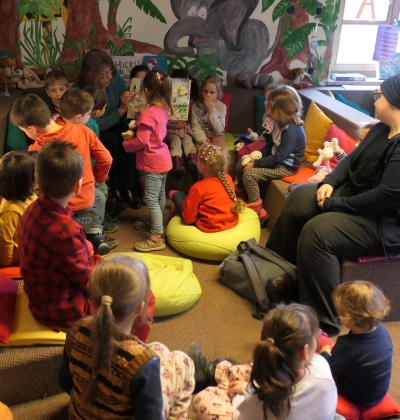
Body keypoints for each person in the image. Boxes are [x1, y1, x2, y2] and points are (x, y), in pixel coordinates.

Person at [266, 73, 400, 335]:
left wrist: (337, 205)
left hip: (381, 222)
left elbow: (384, 196)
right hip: (352, 196)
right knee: (299, 196)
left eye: (380, 95)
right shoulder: (381, 129)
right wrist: (329, 180)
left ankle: (323, 319)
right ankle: (277, 270)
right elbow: (350, 160)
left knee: (318, 232)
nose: (376, 98)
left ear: (395, 101)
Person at [58, 255, 195, 420]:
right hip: (139, 376)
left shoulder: (77, 330)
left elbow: (65, 382)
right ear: (140, 308)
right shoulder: (141, 362)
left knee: (159, 349)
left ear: (94, 299)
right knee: (182, 361)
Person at [191, 303, 337, 420]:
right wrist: (246, 387)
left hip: (251, 408)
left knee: (202, 399)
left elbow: (243, 414)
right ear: (305, 351)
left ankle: (213, 373)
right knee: (255, 368)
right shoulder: (321, 367)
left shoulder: (263, 400)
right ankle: (212, 371)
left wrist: (245, 391)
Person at [10, 93, 114, 255]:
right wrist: (96, 179)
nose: (25, 134)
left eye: (23, 130)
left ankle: (75, 245)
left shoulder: (35, 150)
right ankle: (95, 235)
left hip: (60, 209)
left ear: (32, 129)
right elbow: (106, 159)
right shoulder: (82, 130)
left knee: (62, 238)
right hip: (86, 199)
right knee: (90, 223)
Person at [18, 141, 102, 331]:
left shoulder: (32, 208)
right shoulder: (66, 233)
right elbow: (87, 281)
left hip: (39, 297)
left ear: (37, 178)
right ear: (77, 185)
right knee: (136, 295)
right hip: (63, 311)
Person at [74, 49, 141, 210]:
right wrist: (120, 111)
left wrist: (127, 104)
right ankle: (114, 188)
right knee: (111, 141)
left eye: (110, 71)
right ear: (92, 75)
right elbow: (95, 125)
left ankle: (128, 187)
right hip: (95, 131)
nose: (110, 76)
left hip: (117, 124)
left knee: (128, 136)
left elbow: (125, 114)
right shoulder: (81, 91)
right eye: (104, 74)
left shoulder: (115, 81)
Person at [236, 85, 306, 223]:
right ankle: (242, 194)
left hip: (285, 167)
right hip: (275, 159)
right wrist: (256, 155)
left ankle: (259, 212)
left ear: (281, 110)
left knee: (250, 174)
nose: (267, 109)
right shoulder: (278, 123)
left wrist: (255, 163)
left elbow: (278, 158)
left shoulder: (291, 131)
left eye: (271, 108)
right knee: (240, 165)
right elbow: (270, 145)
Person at [319, 281, 392, 406]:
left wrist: (324, 353)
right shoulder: (382, 329)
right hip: (379, 391)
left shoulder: (348, 345)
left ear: (347, 320)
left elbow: (328, 370)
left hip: (358, 397)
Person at [123, 70, 173, 252]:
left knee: (151, 199)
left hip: (152, 162)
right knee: (160, 196)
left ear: (146, 91)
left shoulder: (147, 113)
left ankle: (156, 237)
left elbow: (142, 140)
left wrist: (126, 145)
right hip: (163, 159)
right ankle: (154, 223)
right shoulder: (162, 109)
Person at [59, 88, 119, 235]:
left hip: (58, 193)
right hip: (83, 188)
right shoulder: (87, 130)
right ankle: (97, 232)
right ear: (79, 117)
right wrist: (99, 177)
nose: (91, 116)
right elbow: (106, 159)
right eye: (88, 114)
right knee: (99, 195)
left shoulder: (54, 130)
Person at [170, 144, 244, 232]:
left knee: (174, 194)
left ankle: (174, 197)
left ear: (202, 167)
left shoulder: (197, 187)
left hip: (209, 226)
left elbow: (188, 219)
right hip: (231, 222)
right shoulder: (228, 178)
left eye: (197, 160)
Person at [0, 151, 37, 266]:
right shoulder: (10, 210)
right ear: (27, 181)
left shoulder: (31, 196)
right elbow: (5, 240)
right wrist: (7, 262)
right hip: (20, 257)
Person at [165, 68, 199, 180]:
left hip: (185, 130)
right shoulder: (166, 100)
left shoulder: (192, 100)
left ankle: (193, 161)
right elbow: (164, 120)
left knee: (188, 142)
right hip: (172, 130)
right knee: (175, 141)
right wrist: (174, 126)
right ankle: (177, 165)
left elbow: (195, 119)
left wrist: (190, 109)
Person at [191, 74, 227, 149]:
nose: (208, 95)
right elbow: (195, 127)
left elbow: (219, 130)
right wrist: (203, 140)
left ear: (218, 94)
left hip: (217, 135)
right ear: (201, 91)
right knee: (204, 153)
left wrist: (211, 112)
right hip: (202, 135)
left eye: (212, 92)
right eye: (205, 91)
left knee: (221, 154)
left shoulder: (222, 107)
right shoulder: (196, 106)